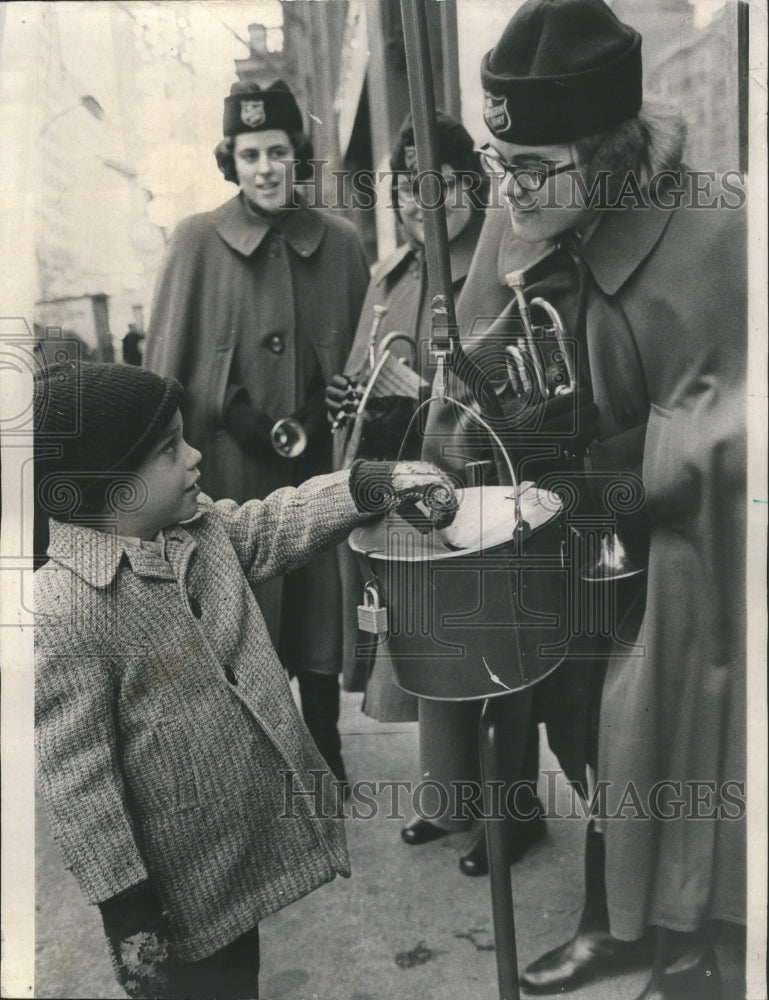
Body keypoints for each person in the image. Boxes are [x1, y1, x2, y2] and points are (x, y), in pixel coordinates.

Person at [423, 1, 747, 996]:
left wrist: (617, 467)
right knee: (580, 721)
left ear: (604, 159)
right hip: (561, 533)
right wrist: (469, 418)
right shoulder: (521, 212)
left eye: (529, 167)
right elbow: (465, 371)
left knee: (681, 727)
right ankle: (624, 913)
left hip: (691, 548)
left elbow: (734, 420)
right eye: (495, 161)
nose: (505, 190)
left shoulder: (715, 228)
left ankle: (695, 937)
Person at [33, 359, 456, 1000]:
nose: (196, 456)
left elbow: (276, 521)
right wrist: (127, 910)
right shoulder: (68, 609)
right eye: (169, 449)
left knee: (239, 981)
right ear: (110, 486)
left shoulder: (196, 532)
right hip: (173, 893)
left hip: (233, 867)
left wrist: (368, 485)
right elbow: (78, 780)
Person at [326, 111, 545, 874]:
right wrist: (355, 399)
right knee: (428, 649)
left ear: (469, 182)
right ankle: (450, 800)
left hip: (481, 484)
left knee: (497, 659)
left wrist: (435, 397)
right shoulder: (392, 276)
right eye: (404, 186)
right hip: (410, 493)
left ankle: (514, 815)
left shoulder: (505, 260)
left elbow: (524, 388)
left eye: (439, 183)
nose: (421, 201)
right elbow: (362, 373)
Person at [145, 80, 369, 789]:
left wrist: (333, 399)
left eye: (277, 151)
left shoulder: (339, 243)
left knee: (318, 609)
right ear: (231, 161)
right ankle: (259, 759)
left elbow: (367, 359)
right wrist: (226, 409)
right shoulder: (193, 243)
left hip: (319, 464)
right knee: (241, 615)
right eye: (250, 154)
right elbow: (162, 376)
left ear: (296, 155)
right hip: (227, 476)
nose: (266, 167)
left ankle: (326, 748)